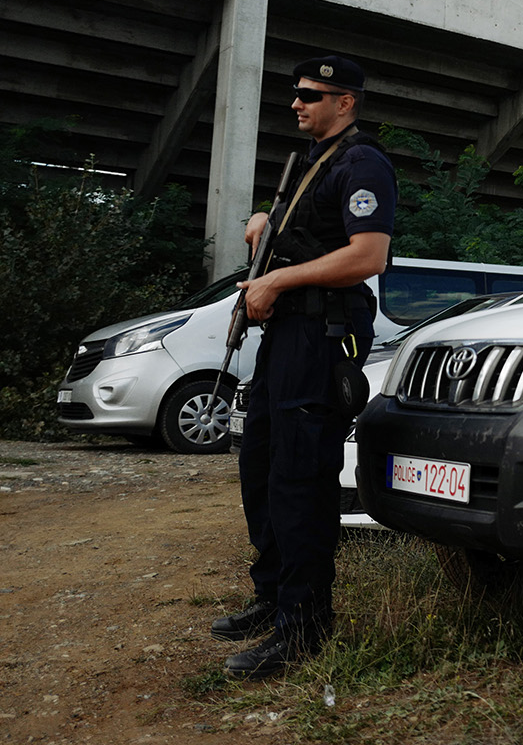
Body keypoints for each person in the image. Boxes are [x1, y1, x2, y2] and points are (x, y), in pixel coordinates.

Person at [211, 55, 396, 678]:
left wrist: (279, 278)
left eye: (311, 94)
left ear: (345, 101)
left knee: (299, 478)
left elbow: (368, 256)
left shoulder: (361, 162)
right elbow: (303, 234)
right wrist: (264, 225)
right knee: (261, 466)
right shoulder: (307, 164)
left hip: (321, 335)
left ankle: (305, 626)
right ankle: (272, 597)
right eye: (296, 93)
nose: (297, 102)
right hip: (286, 335)